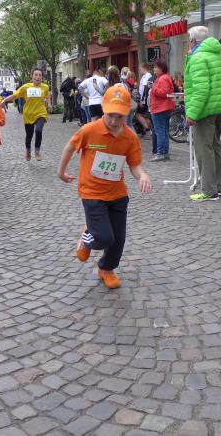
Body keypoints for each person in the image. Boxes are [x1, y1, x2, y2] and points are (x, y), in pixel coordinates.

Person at [57, 85, 152, 289]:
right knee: (104, 237)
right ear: (103, 109)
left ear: (127, 114)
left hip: (117, 194)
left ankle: (106, 269)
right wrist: (61, 172)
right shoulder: (90, 130)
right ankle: (87, 235)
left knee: (118, 240)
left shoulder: (130, 137)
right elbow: (70, 147)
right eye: (110, 115)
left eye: (120, 116)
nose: (114, 121)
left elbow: (134, 165)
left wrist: (142, 175)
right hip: (92, 192)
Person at [184, 26, 221, 201]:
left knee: (203, 149)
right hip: (220, 107)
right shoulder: (219, 55)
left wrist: (192, 113)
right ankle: (217, 186)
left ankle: (209, 190)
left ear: (192, 40)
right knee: (214, 147)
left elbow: (201, 89)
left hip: (205, 109)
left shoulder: (198, 57)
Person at [0, 68, 51, 160]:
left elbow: (47, 97)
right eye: (36, 75)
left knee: (38, 130)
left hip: (40, 113)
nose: (38, 77)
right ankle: (28, 151)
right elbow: (15, 95)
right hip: (28, 114)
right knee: (29, 135)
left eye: (40, 75)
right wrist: (4, 100)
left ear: (42, 77)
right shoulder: (26, 87)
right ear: (32, 76)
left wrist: (49, 105)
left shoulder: (45, 87)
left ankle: (37, 151)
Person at [149, 60, 175, 162]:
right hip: (163, 108)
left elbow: (164, 93)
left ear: (161, 68)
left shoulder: (163, 78)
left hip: (160, 108)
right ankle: (164, 153)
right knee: (164, 131)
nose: (154, 69)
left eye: (156, 67)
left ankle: (160, 153)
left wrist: (153, 88)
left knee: (160, 132)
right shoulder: (164, 77)